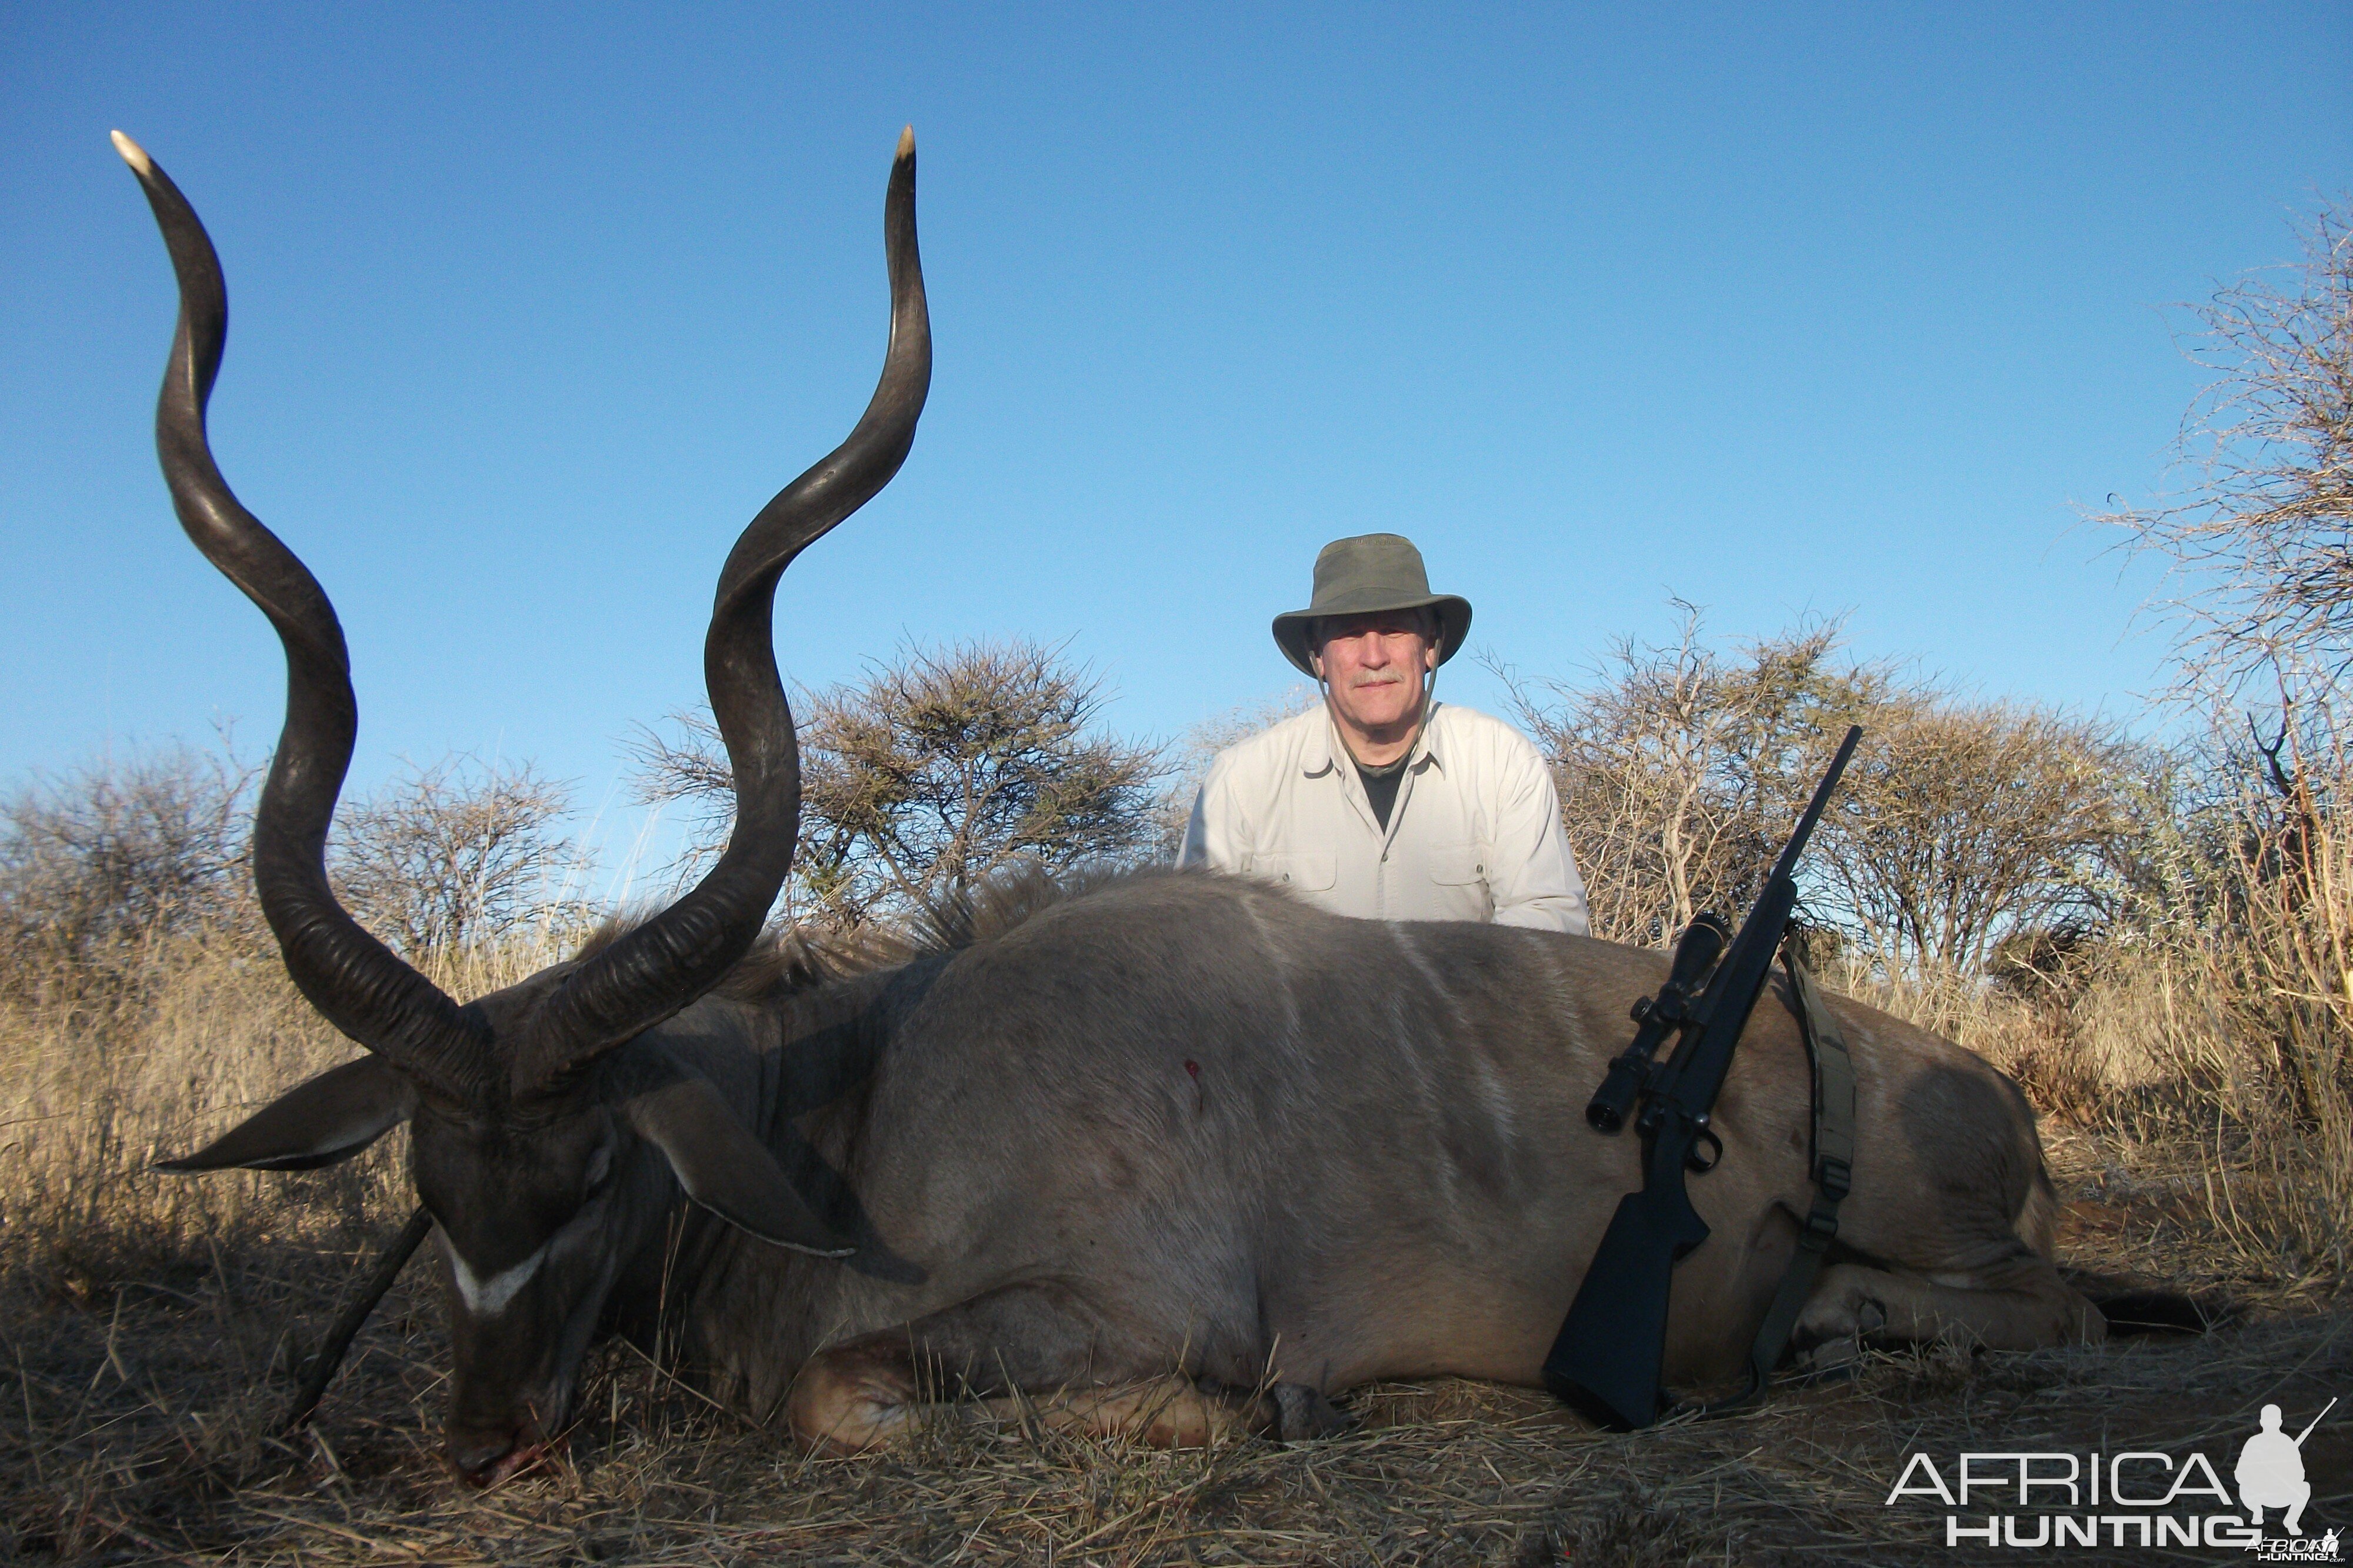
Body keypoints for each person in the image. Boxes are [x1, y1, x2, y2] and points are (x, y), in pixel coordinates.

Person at [1179, 533, 1590, 934]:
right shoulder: (1241, 781)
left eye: (1394, 629)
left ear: (1429, 647)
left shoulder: (1503, 762)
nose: (1373, 657)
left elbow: (1552, 922)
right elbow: (1199, 944)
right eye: (1350, 633)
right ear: (1318, 655)